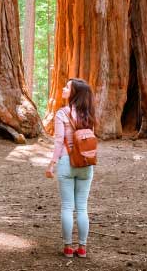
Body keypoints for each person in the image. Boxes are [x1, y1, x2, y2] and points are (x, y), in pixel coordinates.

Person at [45, 78, 96, 258]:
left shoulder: (62, 114)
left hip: (67, 163)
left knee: (67, 207)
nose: (63, 88)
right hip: (86, 164)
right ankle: (82, 248)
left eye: (67, 87)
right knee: (82, 208)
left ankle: (68, 247)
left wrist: (52, 164)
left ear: (74, 92)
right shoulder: (89, 114)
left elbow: (59, 141)